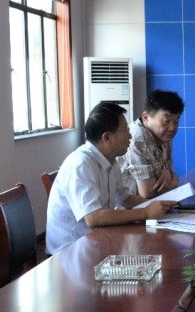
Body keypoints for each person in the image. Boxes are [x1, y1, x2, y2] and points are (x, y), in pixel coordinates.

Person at [46, 102, 176, 255]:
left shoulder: (110, 160)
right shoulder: (81, 164)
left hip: (96, 240)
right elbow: (94, 218)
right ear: (107, 137)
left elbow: (125, 198)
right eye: (126, 130)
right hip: (70, 252)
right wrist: (146, 212)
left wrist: (159, 206)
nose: (130, 135)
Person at [122, 89, 185, 198]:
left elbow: (170, 173)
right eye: (166, 121)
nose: (172, 128)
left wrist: (168, 173)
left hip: (151, 204)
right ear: (146, 117)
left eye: (176, 121)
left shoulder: (163, 136)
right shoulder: (138, 138)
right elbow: (148, 192)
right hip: (129, 206)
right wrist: (174, 182)